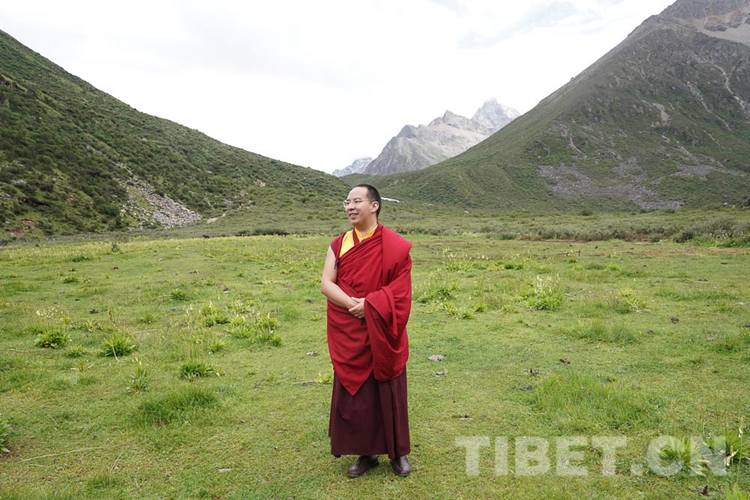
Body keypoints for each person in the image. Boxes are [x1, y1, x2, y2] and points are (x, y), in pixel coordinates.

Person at [320, 184, 413, 478]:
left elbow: (401, 291)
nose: (350, 207)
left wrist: (371, 305)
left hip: (383, 327)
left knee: (388, 388)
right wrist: (356, 306)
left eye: (356, 201)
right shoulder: (339, 244)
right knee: (358, 394)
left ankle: (397, 452)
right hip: (351, 326)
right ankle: (366, 453)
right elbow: (326, 283)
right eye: (347, 202)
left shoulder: (395, 246)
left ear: (374, 206)